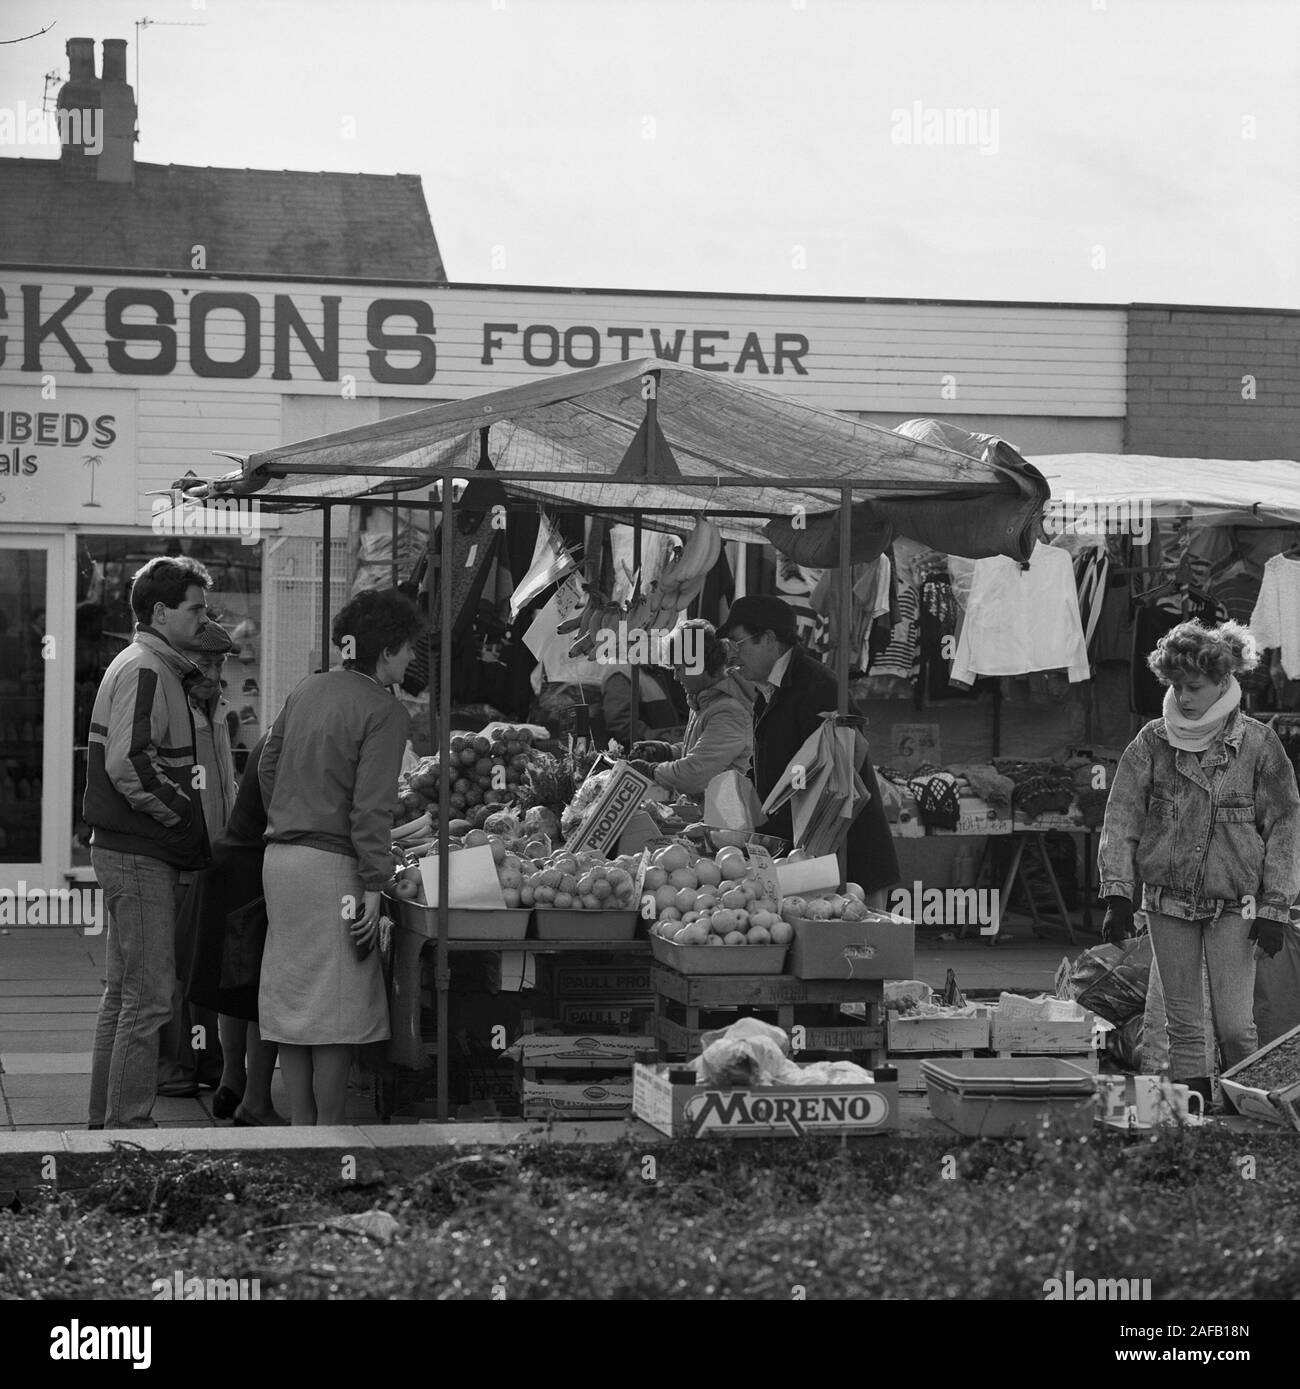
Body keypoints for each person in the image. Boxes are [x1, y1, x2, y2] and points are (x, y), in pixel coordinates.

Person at [1097, 620, 1300, 1111]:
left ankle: (1247, 1108)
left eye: (1194, 687)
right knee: (1184, 1025)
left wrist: (1276, 907)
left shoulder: (1258, 745)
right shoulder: (1151, 742)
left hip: (1238, 904)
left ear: (1222, 682)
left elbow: (1286, 826)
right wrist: (1118, 892)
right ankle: (1197, 1123)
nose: (1183, 697)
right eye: (1175, 686)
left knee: (1236, 1023)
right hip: (1167, 902)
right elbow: (1121, 815)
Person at [258, 588, 421, 1125]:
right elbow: (371, 809)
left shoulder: (308, 689)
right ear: (385, 651)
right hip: (334, 869)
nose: (412, 658)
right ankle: (327, 1137)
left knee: (293, 1002)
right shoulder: (384, 709)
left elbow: (266, 766)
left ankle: (300, 1132)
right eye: (407, 648)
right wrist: (374, 884)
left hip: (282, 861)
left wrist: (291, 812)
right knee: (334, 1009)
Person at [84, 556, 213, 1129]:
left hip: (128, 848)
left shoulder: (145, 664)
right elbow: (129, 762)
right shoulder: (146, 668)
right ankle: (126, 1127)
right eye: (195, 609)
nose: (203, 619)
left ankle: (102, 1125)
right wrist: (183, 818)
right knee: (150, 998)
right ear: (161, 612)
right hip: (139, 852)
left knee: (124, 995)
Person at [718, 595, 900, 905]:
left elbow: (834, 778)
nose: (733, 655)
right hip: (803, 857)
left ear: (769, 639)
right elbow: (772, 766)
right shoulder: (767, 690)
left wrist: (763, 832)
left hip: (846, 858)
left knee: (857, 947)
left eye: (739, 643)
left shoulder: (819, 688)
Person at [182, 733, 284, 1125]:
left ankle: (232, 1077)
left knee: (235, 987)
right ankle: (256, 1102)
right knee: (261, 989)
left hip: (228, 864)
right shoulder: (291, 745)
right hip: (251, 872)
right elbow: (289, 820)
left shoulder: (272, 737)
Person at [157, 622, 237, 1099]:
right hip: (180, 854)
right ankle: (173, 1067)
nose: (213, 672)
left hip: (215, 854)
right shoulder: (174, 705)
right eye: (203, 663)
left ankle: (208, 1059)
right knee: (174, 968)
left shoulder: (218, 708)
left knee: (209, 963)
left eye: (219, 663)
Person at [627, 620, 754, 797]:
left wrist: (651, 770)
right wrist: (668, 751)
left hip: (728, 818)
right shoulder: (705, 702)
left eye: (678, 669)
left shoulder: (729, 712)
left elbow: (694, 774)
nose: (676, 677)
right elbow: (703, 751)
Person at [597, 663, 680, 750]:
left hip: (660, 752)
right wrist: (658, 739)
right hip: (640, 755)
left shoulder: (651, 671)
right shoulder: (621, 674)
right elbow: (621, 722)